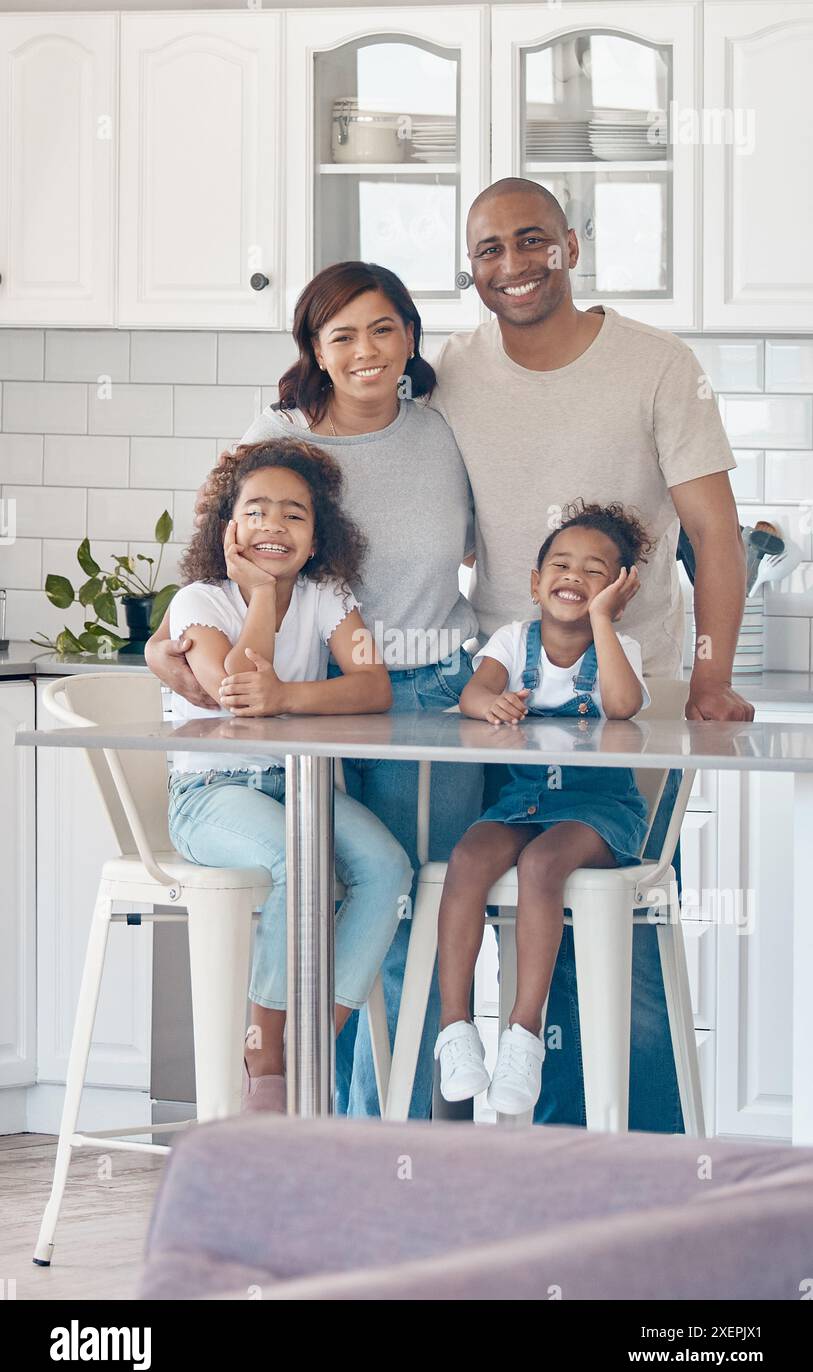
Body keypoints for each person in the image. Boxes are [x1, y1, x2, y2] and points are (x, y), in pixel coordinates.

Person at [426, 177, 754, 1132]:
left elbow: (716, 539)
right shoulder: (449, 369)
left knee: (620, 947)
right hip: (505, 708)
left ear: (571, 244)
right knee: (487, 912)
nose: (514, 265)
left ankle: (642, 1181)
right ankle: (509, 1182)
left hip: (626, 708)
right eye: (489, 249)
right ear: (470, 266)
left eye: (533, 241)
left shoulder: (655, 364)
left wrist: (709, 676)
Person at [145, 262, 483, 1118]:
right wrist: (175, 651)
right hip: (303, 722)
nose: (366, 351)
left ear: (411, 335)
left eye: (384, 329)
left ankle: (381, 1125)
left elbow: (485, 556)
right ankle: (300, 1093)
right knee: (317, 874)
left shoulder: (445, 430)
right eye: (342, 335)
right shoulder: (278, 438)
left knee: (404, 891)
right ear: (314, 351)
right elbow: (221, 566)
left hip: (424, 688)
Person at [163, 435, 412, 1112]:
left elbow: (372, 686)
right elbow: (235, 693)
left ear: (316, 535)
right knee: (292, 860)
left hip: (299, 790)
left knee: (388, 869)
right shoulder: (198, 601)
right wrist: (266, 599)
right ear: (227, 530)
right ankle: (264, 1054)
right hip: (212, 795)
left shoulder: (329, 594)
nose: (274, 524)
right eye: (257, 511)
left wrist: (289, 696)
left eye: (295, 515)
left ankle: (312, 1042)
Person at [434, 502, 652, 1115]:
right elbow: (476, 690)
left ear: (616, 590)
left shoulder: (621, 647)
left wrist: (605, 623)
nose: (574, 577)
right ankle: (456, 1030)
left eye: (595, 571)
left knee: (542, 865)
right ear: (534, 582)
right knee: (469, 857)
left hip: (598, 809)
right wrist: (491, 705)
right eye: (560, 564)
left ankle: (524, 1034)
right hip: (523, 800)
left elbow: (623, 705)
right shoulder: (511, 639)